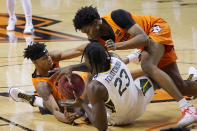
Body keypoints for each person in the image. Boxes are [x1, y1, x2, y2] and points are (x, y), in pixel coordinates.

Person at [57, 5, 197, 127]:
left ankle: (187, 109)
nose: (88, 36)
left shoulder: (117, 16)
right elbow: (93, 66)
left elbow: (144, 39)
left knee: (147, 65)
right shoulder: (98, 40)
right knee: (179, 86)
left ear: (96, 22)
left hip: (155, 29)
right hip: (146, 46)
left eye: (88, 31)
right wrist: (72, 70)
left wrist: (117, 46)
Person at [57, 42, 196, 131]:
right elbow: (92, 65)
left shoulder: (95, 86)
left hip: (120, 119)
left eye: (86, 61)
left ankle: (46, 103)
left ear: (91, 62)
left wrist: (83, 104)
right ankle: (190, 83)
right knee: (156, 77)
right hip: (140, 101)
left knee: (87, 107)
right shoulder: (114, 58)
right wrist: (72, 67)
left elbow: (102, 127)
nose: (84, 64)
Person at [9, 42, 86, 124]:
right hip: (63, 100)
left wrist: (94, 45)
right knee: (82, 106)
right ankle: (35, 100)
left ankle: (34, 100)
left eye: (48, 55)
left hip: (75, 88)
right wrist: (65, 119)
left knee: (93, 70)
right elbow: (55, 110)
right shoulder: (41, 84)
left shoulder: (52, 58)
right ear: (35, 62)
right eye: (44, 58)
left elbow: (77, 50)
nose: (49, 59)